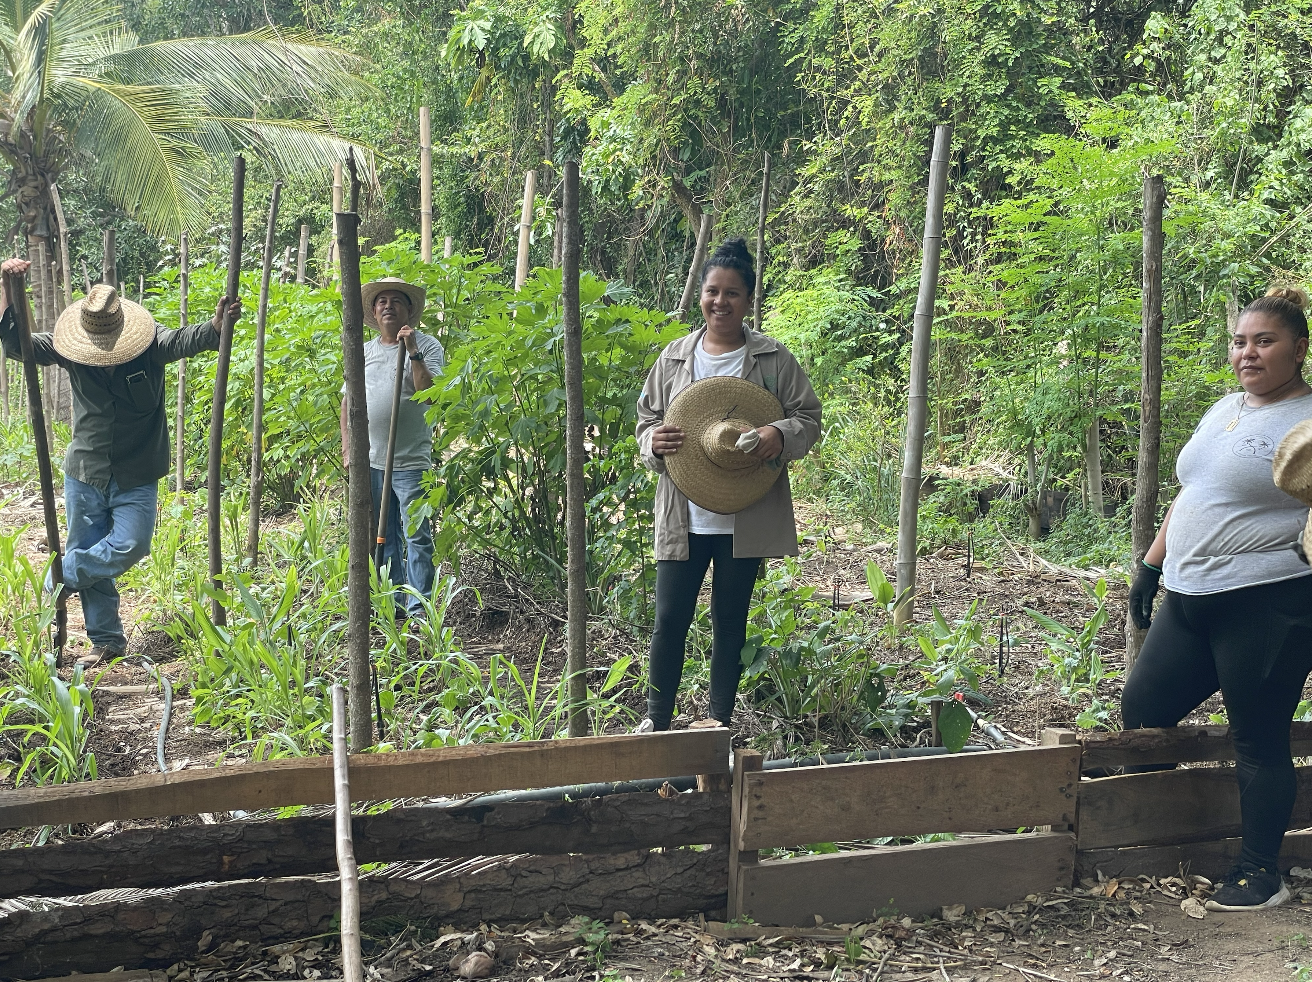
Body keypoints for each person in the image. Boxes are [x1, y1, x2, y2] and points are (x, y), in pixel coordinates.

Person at [1124, 285, 1312, 912]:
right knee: (1144, 709)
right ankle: (1146, 836)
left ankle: (1262, 871)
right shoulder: (1225, 408)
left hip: (1267, 600)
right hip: (1187, 594)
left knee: (1256, 737)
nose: (1248, 353)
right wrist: (1151, 567)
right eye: (1240, 341)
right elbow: (1193, 493)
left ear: (1299, 349)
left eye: (1265, 341)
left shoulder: (1309, 423)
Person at [0, 257, 242, 664]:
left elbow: (185, 339)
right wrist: (8, 292)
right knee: (92, 549)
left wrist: (216, 328)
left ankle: (61, 576)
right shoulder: (70, 351)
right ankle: (108, 641)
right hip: (86, 470)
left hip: (137, 472)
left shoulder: (148, 346)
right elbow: (16, 345)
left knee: (131, 543)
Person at [635, 238, 821, 731]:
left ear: (748, 300)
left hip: (747, 515)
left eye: (732, 293)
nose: (721, 302)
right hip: (683, 516)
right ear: (700, 294)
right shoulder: (674, 358)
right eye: (713, 292)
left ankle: (718, 723)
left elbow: (809, 418)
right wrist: (652, 441)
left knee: (729, 624)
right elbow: (646, 421)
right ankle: (658, 725)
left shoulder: (773, 359)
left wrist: (777, 433)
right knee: (669, 621)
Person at [340, 277, 445, 619]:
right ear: (373, 311)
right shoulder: (365, 351)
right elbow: (347, 403)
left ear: (409, 310)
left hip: (412, 461)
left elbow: (428, 392)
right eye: (381, 301)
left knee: (417, 537)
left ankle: (420, 609)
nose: (388, 306)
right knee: (384, 537)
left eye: (396, 301)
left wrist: (412, 350)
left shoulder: (427, 346)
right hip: (370, 461)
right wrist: (346, 449)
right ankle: (396, 603)